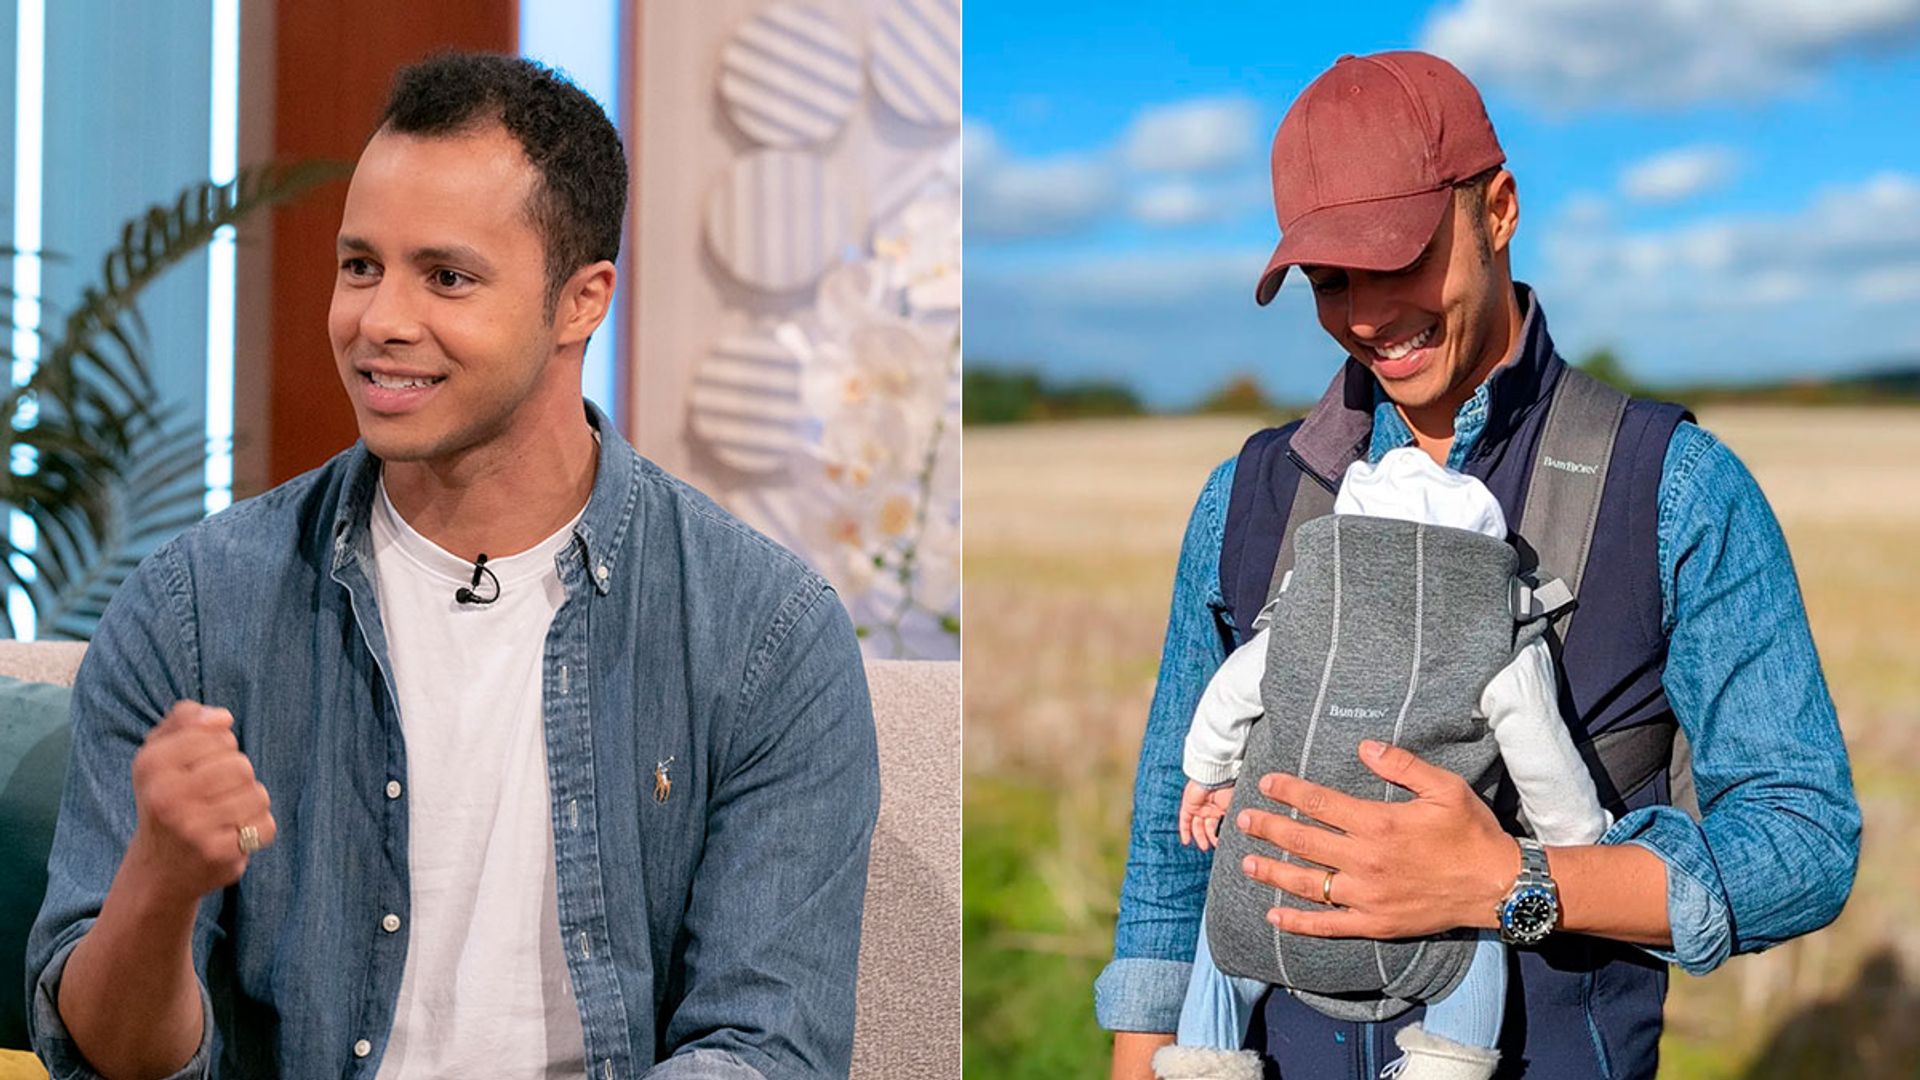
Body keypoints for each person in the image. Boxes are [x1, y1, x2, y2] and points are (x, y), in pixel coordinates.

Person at [27, 53, 879, 1080]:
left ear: (581, 302)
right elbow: (110, 1063)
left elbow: (765, 1049)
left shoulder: (764, 635)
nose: (379, 321)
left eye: (447, 277)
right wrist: (159, 888)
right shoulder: (194, 611)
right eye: (359, 266)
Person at [1097, 50, 1860, 1079]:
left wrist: (1514, 884)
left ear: (1498, 210)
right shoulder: (1247, 496)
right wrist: (1143, 1053)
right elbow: (1166, 848)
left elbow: (1804, 844)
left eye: (1399, 260)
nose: (1366, 316)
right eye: (1330, 279)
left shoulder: (1673, 486)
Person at [1159, 448, 1612, 1080]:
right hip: (1421, 923)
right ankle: (1444, 1068)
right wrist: (1575, 842)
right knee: (1475, 940)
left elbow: (1229, 692)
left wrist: (1208, 774)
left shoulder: (1297, 619)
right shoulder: (1504, 640)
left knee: (1221, 938)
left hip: (1267, 895)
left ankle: (1204, 1063)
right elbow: (1544, 763)